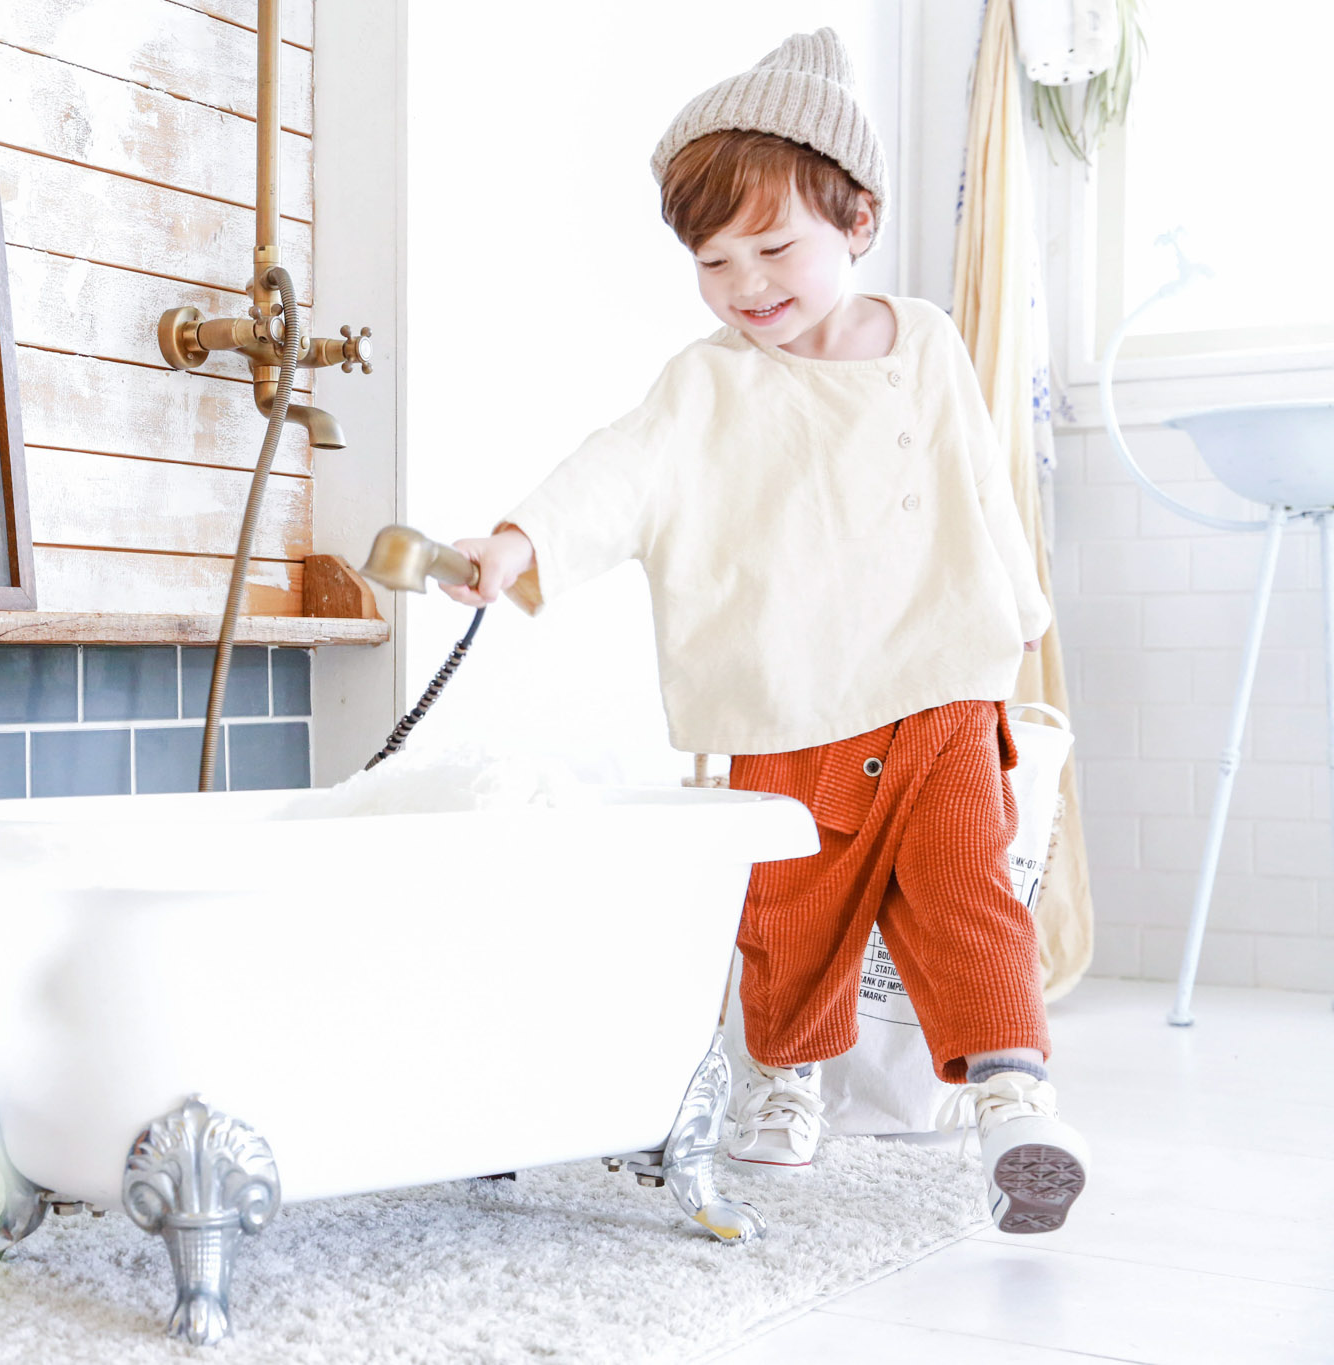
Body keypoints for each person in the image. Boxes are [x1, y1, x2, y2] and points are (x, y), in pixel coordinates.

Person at [440, 28, 1088, 1234]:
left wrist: (1017, 612)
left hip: (940, 685)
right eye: (713, 260)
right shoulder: (707, 385)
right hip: (786, 701)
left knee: (967, 894)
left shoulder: (928, 342)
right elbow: (616, 476)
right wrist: (521, 544)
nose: (746, 283)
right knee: (785, 920)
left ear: (858, 220)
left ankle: (1013, 1095)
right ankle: (780, 1075)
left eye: (774, 244)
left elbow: (979, 482)